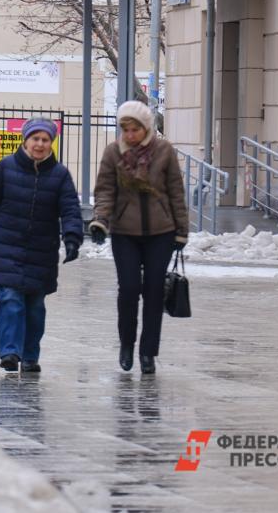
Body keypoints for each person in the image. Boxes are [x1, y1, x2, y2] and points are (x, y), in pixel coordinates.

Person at [0, 117, 83, 373]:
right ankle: (10, 352)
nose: (40, 144)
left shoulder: (60, 174)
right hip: (6, 245)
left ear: (51, 143)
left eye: (45, 140)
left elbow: (69, 209)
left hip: (41, 251)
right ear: (26, 140)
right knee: (11, 299)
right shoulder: (6, 167)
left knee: (34, 308)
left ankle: (30, 356)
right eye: (36, 139)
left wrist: (73, 237)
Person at [88, 100, 189, 375]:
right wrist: (101, 219)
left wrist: (181, 230)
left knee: (155, 292)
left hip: (161, 231)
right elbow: (105, 190)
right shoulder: (113, 153)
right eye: (125, 129)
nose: (130, 135)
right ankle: (126, 344)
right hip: (124, 232)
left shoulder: (164, 151)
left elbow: (175, 192)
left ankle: (148, 352)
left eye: (135, 129)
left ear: (146, 128)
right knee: (129, 289)